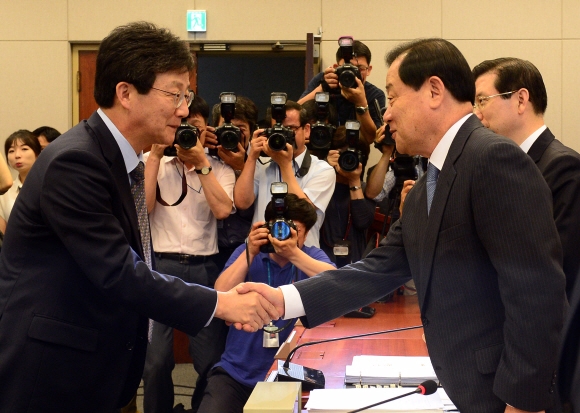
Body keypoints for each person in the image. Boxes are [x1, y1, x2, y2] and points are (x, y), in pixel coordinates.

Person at [240, 38, 566, 413]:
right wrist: (281, 300)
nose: (387, 115)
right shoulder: (435, 174)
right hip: (469, 387)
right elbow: (380, 268)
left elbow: (537, 293)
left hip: (503, 397)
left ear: (433, 91)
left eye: (392, 99)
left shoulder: (493, 159)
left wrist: (522, 404)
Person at [0, 22, 278, 413]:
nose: (184, 109)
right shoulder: (75, 162)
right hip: (51, 374)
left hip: (92, 368)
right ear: (126, 93)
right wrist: (220, 304)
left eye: (188, 95)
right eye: (175, 94)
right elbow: (118, 271)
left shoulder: (119, 158)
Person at [197, 194, 335, 413]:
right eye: (279, 229)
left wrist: (294, 254)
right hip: (236, 370)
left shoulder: (311, 256)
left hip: (287, 374)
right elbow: (219, 295)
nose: (283, 237)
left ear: (306, 233)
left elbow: (335, 284)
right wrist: (249, 252)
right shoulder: (247, 254)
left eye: (293, 231)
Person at [142, 95, 234, 413]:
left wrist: (201, 162)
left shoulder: (219, 169)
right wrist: (154, 154)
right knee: (154, 361)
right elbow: (145, 209)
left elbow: (223, 210)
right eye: (181, 127)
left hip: (203, 269)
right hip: (159, 267)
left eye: (193, 128)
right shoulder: (155, 164)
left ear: (205, 129)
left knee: (210, 360)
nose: (186, 134)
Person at [472, 57, 580, 298]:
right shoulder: (502, 167)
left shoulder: (564, 167)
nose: (476, 115)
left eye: (482, 101)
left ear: (521, 99)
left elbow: (560, 265)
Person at [234, 100, 336, 248]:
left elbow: (303, 213)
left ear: (306, 130)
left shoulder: (322, 170)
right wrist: (251, 158)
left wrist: (284, 165)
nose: (283, 135)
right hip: (261, 250)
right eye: (278, 130)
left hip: (301, 254)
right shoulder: (261, 165)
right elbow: (242, 203)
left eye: (290, 129)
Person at [206, 95, 259, 271]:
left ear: (251, 131)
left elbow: (249, 206)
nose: (231, 134)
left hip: (246, 249)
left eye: (240, 129)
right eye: (226, 128)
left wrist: (241, 168)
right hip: (209, 252)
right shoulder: (202, 160)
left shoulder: (261, 163)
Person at [299, 40, 385, 144]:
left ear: (369, 70)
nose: (352, 73)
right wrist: (323, 88)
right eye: (346, 67)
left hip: (354, 152)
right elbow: (295, 113)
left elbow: (371, 138)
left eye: (359, 68)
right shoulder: (322, 81)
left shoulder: (375, 94)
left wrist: (360, 103)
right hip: (321, 150)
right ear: (336, 67)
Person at [321, 126, 375, 266]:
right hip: (321, 261)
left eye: (353, 155)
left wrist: (353, 180)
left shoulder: (365, 189)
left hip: (355, 263)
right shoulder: (320, 185)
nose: (348, 159)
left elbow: (363, 222)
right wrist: (324, 169)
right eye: (342, 153)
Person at [0, 129, 41, 234]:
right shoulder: (5, 191)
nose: (17, 155)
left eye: (24, 149)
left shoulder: (49, 186)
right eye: (11, 151)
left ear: (38, 153)